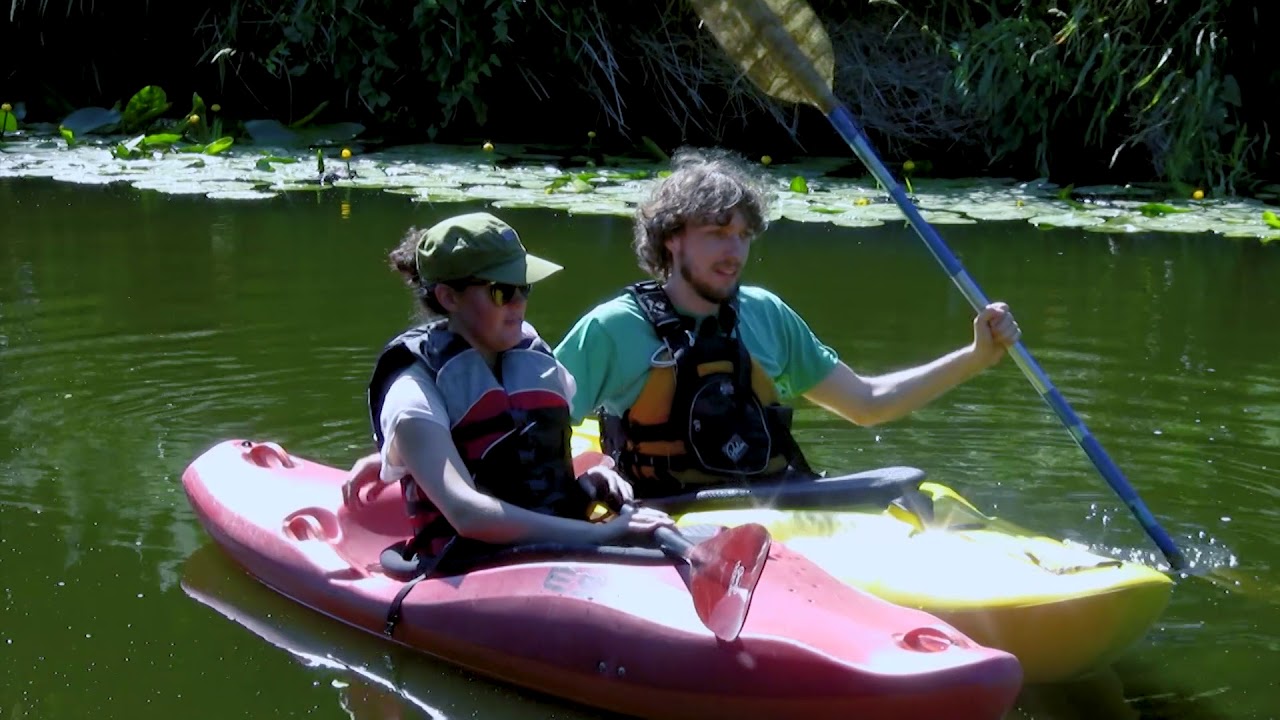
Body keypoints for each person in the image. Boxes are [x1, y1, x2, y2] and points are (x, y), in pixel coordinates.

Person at [552, 147, 1023, 497]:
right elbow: (535, 435)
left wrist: (977, 358)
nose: (734, 252)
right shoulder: (611, 329)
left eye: (742, 236)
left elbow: (868, 403)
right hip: (662, 519)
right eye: (717, 234)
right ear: (672, 239)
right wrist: (589, 473)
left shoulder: (766, 315)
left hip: (775, 514)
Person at [342, 212, 672, 560]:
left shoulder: (532, 358)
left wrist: (587, 484)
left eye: (524, 286)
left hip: (557, 553)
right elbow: (468, 514)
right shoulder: (413, 390)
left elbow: (529, 467)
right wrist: (600, 534)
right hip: (467, 568)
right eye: (502, 291)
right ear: (448, 297)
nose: (519, 303)